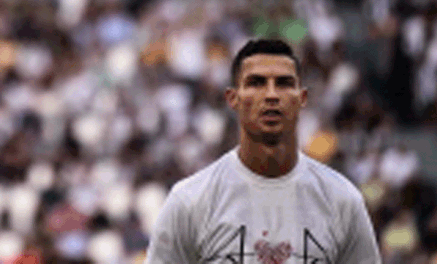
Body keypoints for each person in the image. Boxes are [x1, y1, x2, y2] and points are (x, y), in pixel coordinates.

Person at [144, 38, 382, 263]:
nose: (271, 95)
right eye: (256, 83)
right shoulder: (190, 201)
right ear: (233, 98)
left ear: (302, 98)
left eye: (284, 83)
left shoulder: (343, 201)